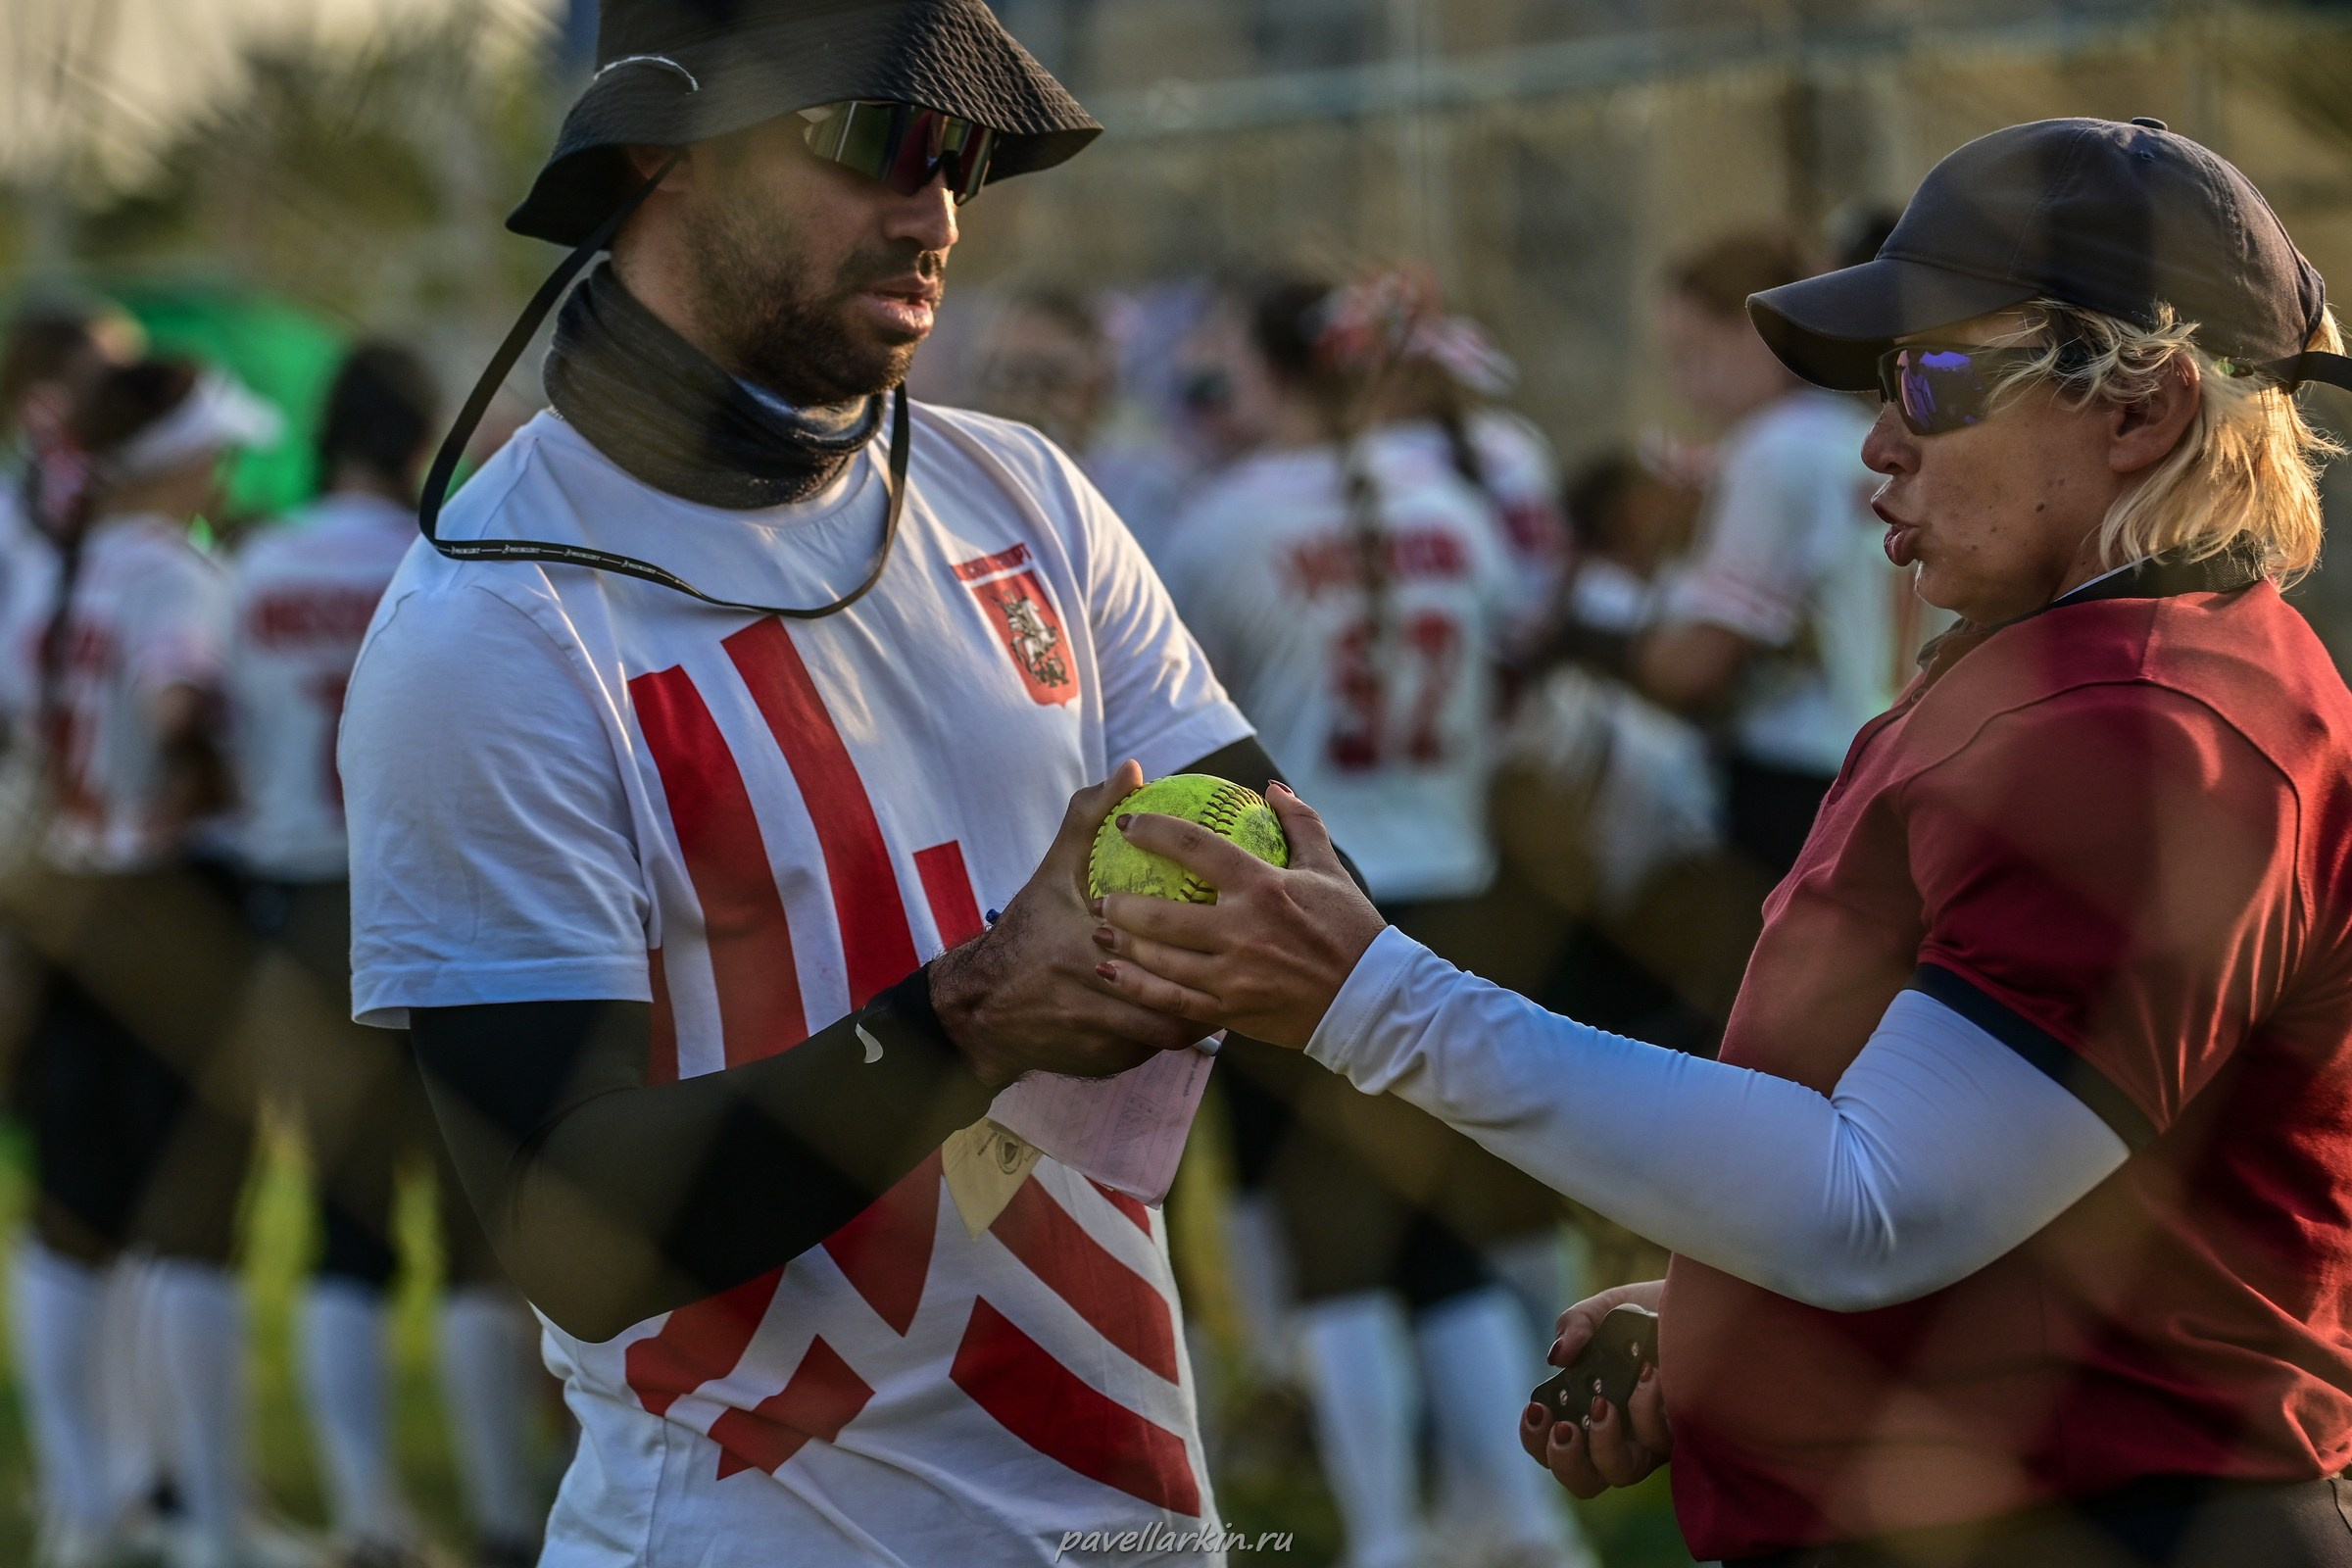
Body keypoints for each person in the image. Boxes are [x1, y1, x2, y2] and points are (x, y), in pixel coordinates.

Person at [1090, 117, 2352, 1567]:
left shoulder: (2146, 729)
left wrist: (1371, 998)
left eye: (1931, 381)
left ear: (2141, 409)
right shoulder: (2098, 667)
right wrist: (1746, 1328)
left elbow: (1869, 1206)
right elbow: (2013, 1183)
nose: (1878, 442)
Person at [339, 2, 1279, 1562]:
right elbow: (573, 1230)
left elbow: (1265, 847)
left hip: (1122, 1508)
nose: (938, 211)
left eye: (966, 153)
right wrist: (967, 1017)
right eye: (874, 141)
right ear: (663, 154)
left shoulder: (1020, 491)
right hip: (753, 1520)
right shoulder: (495, 626)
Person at [1160, 274, 1591, 1568]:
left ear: (1269, 368)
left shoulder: (1225, 519)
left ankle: (1391, 1535)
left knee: (1336, 1246)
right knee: (1442, 1224)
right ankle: (1521, 1519)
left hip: (1313, 899)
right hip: (1462, 884)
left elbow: (1177, 721)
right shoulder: (1454, 500)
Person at [224, 342, 542, 1568]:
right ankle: (507, 1511)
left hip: (296, 905)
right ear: (423, 435)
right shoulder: (445, 552)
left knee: (343, 1227)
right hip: (435, 898)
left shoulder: (254, 563)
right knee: (476, 1227)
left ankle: (364, 1513)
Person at [4, 356, 282, 1568]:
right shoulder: (175, 574)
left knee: (72, 1212)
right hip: (172, 902)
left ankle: (86, 1503)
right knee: (191, 1222)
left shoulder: (53, 581)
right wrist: (192, 791)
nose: (224, 465)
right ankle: (209, 1520)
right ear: (166, 462)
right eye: (211, 446)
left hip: (63, 894)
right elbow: (181, 711)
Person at [1636, 231, 1935, 879]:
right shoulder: (1861, 434)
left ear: (1756, 335)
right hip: (1898, 755)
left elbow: (1700, 664)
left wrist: (1626, 649)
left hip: (1798, 779)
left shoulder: (1772, 448)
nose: (1687, 385)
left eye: (1696, 353)